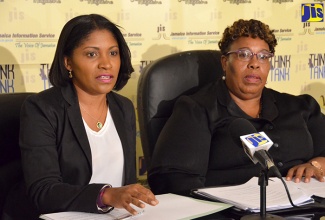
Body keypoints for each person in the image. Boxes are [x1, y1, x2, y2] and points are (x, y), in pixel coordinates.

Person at [3, 14, 158, 220]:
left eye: (113, 53)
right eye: (92, 54)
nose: (106, 63)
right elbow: (43, 191)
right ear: (68, 62)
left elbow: (126, 183)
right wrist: (106, 195)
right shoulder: (41, 109)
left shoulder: (124, 108)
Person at [147, 19, 325, 196]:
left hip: (303, 210)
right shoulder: (196, 110)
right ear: (225, 62)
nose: (255, 63)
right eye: (244, 54)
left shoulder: (300, 107)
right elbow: (173, 182)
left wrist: (315, 165)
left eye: (263, 56)